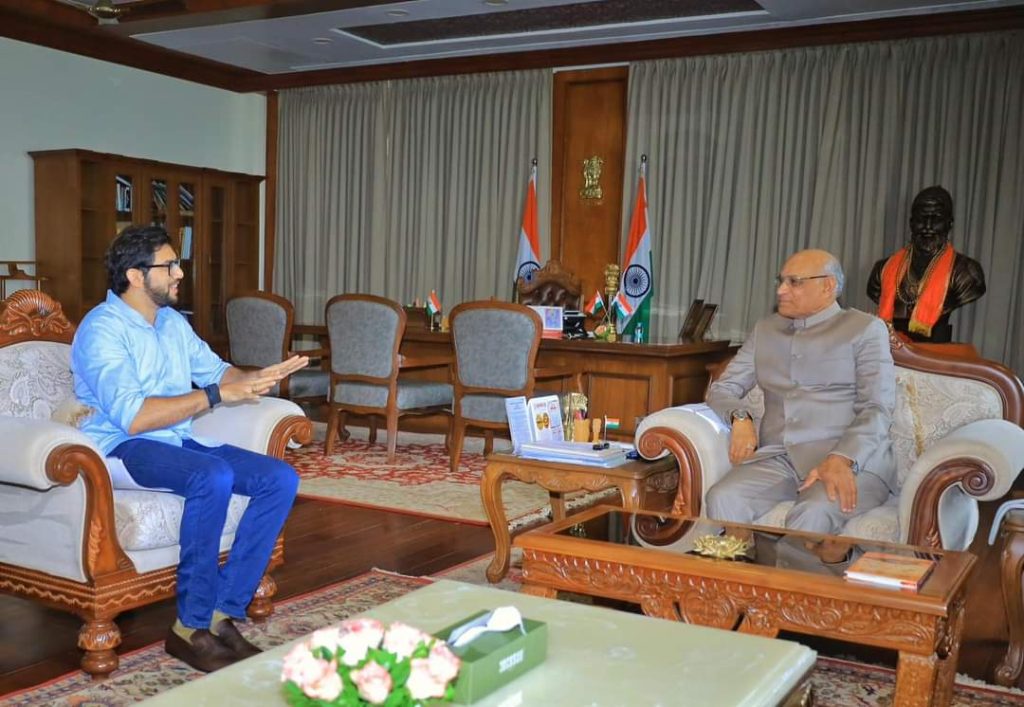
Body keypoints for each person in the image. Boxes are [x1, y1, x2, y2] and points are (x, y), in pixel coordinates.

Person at [71, 225, 309, 673]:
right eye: (170, 265)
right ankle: (189, 625)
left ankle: (222, 613)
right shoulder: (102, 330)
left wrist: (259, 377)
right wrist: (217, 396)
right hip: (121, 447)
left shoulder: (172, 323)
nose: (181, 273)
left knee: (279, 479)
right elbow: (135, 417)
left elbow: (219, 373)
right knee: (210, 476)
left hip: (177, 439)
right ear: (137, 275)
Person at [704, 249, 896, 535]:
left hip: (851, 459)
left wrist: (842, 457)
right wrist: (740, 416)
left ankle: (795, 580)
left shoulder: (865, 329)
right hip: (780, 458)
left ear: (828, 286)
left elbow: (877, 407)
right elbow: (722, 388)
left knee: (813, 512)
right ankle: (742, 574)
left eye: (794, 282)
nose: (781, 290)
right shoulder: (766, 329)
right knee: (723, 497)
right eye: (781, 281)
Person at [866, 185, 986, 342]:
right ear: (911, 223)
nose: (928, 226)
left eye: (936, 219)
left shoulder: (967, 273)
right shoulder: (882, 269)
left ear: (949, 224)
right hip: (892, 352)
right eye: (921, 219)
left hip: (934, 352)